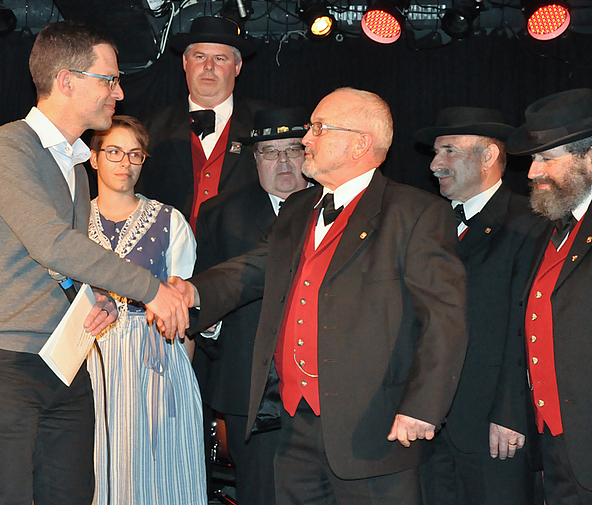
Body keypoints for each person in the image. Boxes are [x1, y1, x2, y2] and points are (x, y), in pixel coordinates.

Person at [167, 87, 469, 505]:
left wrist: (422, 407)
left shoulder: (414, 212)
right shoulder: (298, 208)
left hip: (376, 428)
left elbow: (445, 319)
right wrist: (193, 290)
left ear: (361, 143)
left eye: (319, 129)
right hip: (292, 425)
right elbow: (253, 269)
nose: (306, 139)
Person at [0, 21, 189, 505]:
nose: (119, 93)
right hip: (3, 368)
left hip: (65, 364)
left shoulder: (77, 165)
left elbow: (64, 265)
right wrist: (153, 289)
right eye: (109, 80)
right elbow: (51, 244)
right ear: (66, 80)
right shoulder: (4, 147)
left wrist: (94, 297)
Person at [414, 107, 547, 505]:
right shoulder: (425, 222)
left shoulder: (530, 222)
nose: (435, 165)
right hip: (429, 422)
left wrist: (509, 412)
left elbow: (525, 327)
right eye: (435, 153)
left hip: (494, 428)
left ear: (488, 157)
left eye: (449, 151)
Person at [193, 107, 310, 505]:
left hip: (323, 390)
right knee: (260, 492)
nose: (282, 162)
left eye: (292, 149)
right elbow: (204, 298)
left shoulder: (335, 208)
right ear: (254, 158)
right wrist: (210, 322)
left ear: (310, 153)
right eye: (270, 151)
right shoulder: (219, 215)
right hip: (250, 388)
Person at [86, 115, 205, 505]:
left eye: (135, 154)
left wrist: (177, 375)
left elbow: (183, 310)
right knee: (99, 470)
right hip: (91, 357)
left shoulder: (169, 221)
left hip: (154, 358)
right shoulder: (73, 223)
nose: (125, 163)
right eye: (115, 152)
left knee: (159, 473)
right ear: (93, 157)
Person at [506, 88, 592, 504]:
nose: (531, 172)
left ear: (589, 158)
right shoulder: (551, 229)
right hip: (557, 444)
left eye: (546, 159)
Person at [138, 16, 269, 230]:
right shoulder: (148, 128)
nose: (208, 67)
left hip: (244, 256)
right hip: (167, 254)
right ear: (185, 62)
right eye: (200, 57)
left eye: (220, 59)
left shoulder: (265, 123)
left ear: (237, 66)